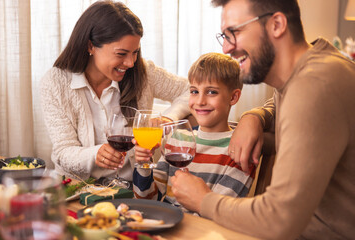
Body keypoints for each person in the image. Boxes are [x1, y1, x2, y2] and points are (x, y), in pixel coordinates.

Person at [170, 0, 355, 239]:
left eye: (234, 33)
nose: (226, 47)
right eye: (223, 36)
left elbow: (278, 219)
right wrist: (254, 116)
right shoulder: (311, 69)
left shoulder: (314, 85)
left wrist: (203, 200)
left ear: (276, 24)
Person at [40, 1, 190, 181]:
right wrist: (95, 155)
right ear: (90, 46)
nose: (130, 63)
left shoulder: (144, 73)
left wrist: (169, 119)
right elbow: (64, 151)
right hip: (77, 191)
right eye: (121, 54)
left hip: (132, 191)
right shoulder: (55, 83)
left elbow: (191, 90)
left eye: (135, 52)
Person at [132, 52, 255, 209]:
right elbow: (148, 200)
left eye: (211, 92)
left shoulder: (239, 149)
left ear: (233, 97)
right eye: (194, 91)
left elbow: (220, 213)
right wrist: (143, 164)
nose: (200, 101)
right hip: (166, 225)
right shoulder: (177, 138)